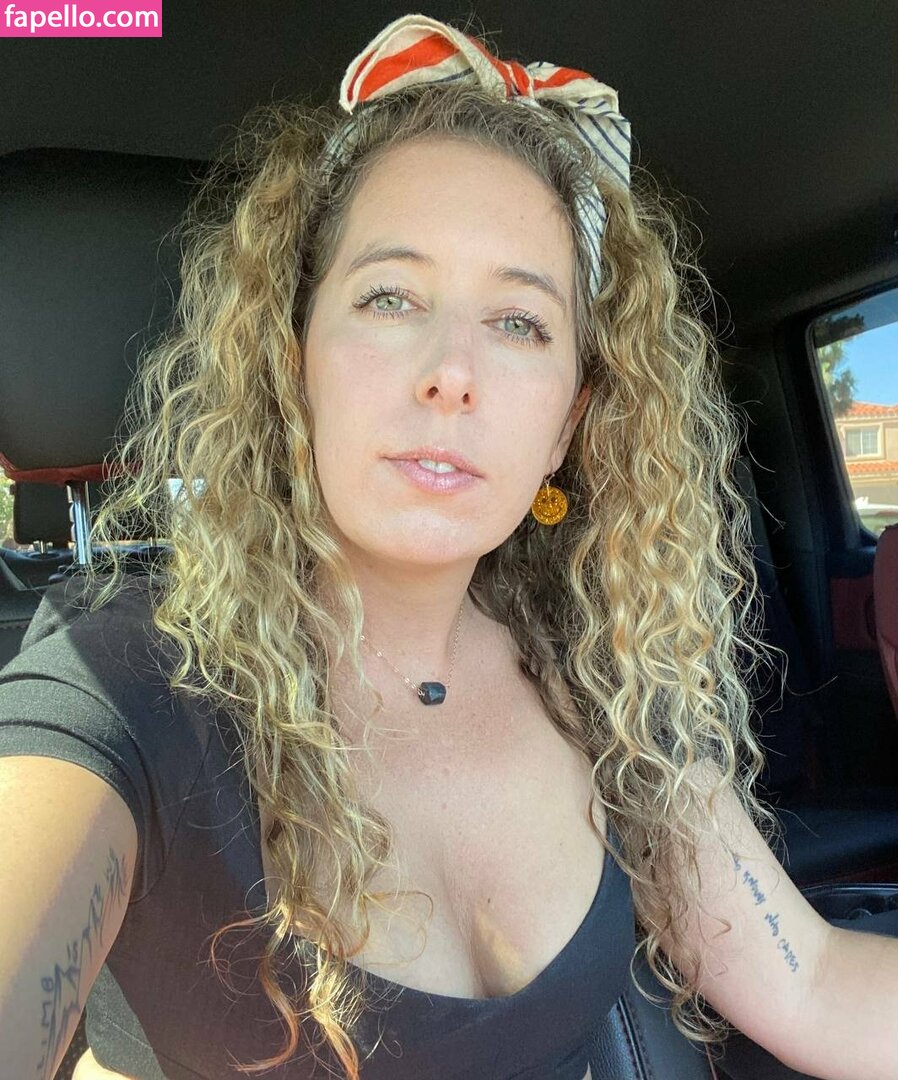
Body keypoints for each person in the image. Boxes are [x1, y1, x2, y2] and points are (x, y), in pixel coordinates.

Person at [2, 13, 895, 1080]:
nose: (452, 374)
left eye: (519, 323)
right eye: (390, 297)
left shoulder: (602, 685)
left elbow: (810, 982)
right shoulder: (126, 681)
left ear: (565, 426)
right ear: (294, 364)